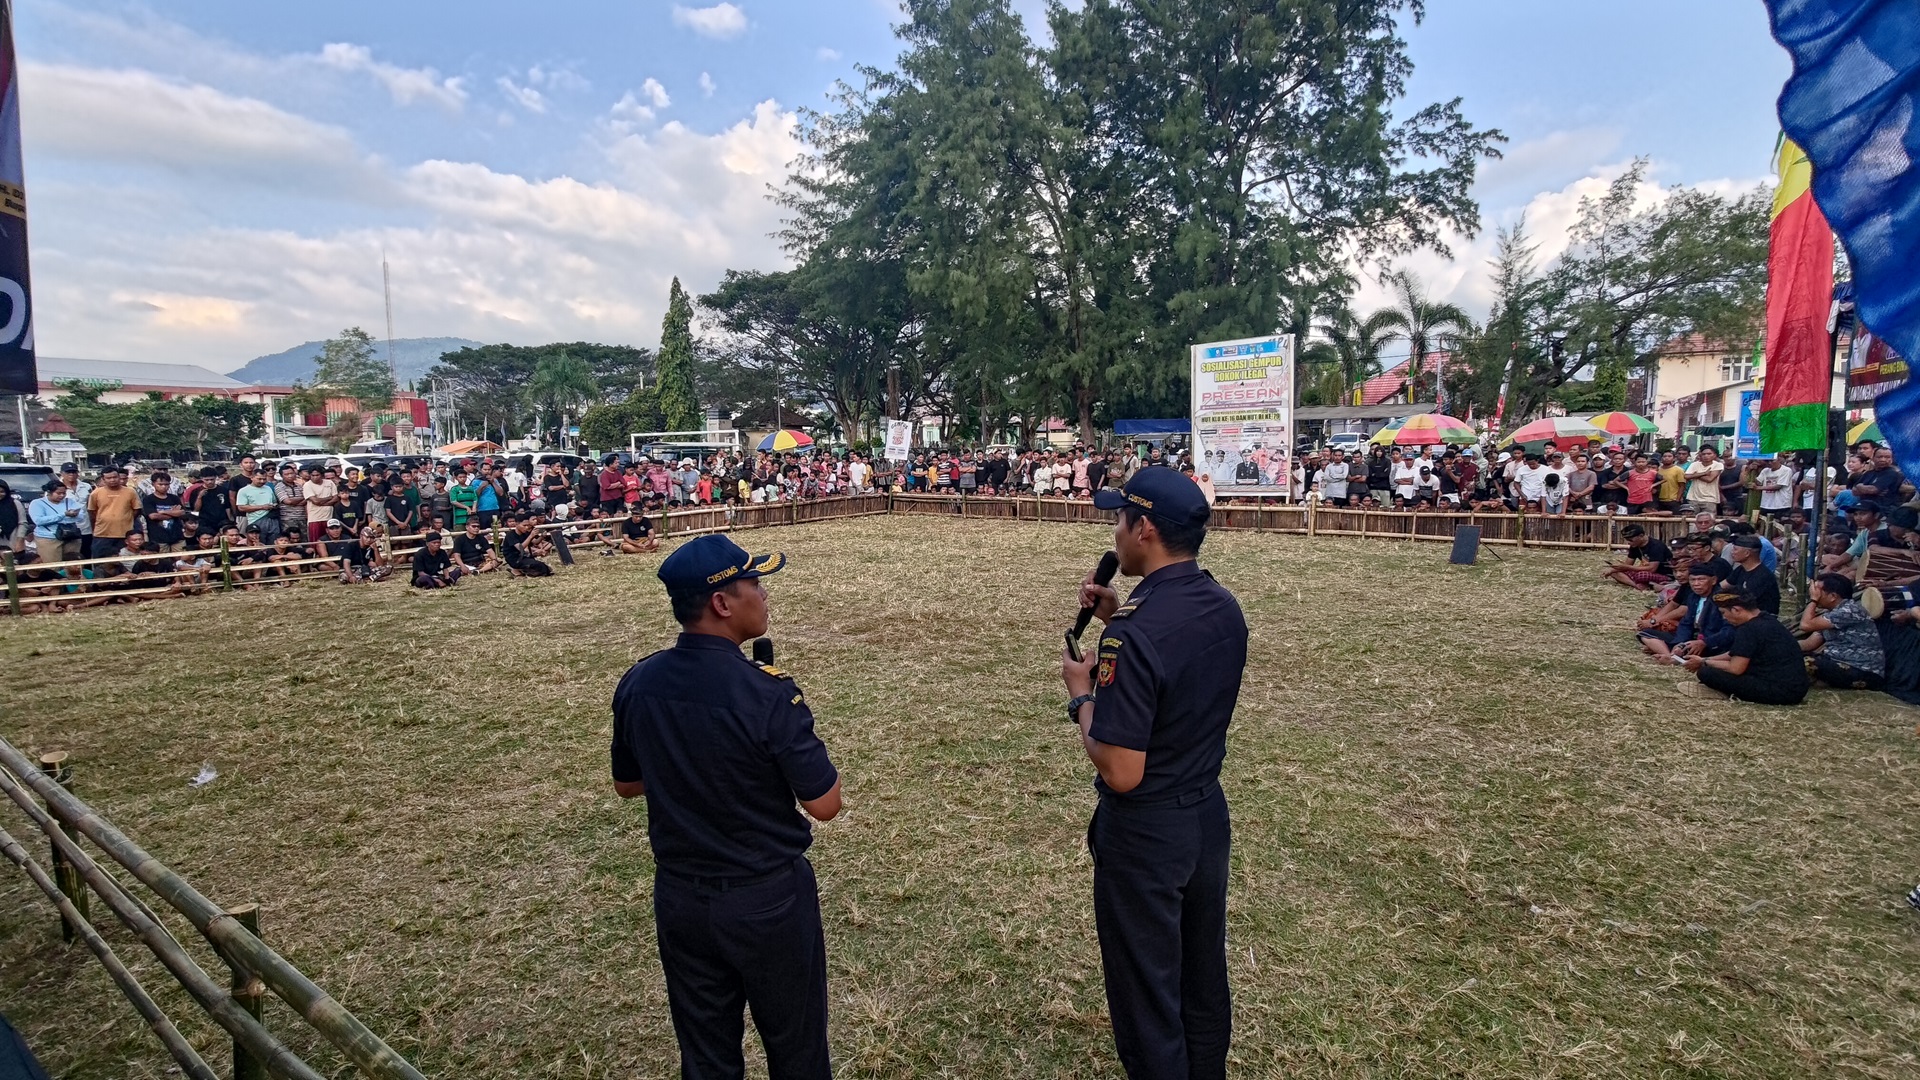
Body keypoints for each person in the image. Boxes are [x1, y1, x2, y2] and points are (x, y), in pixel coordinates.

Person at [610, 534, 841, 1080]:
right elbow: (825, 803)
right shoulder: (765, 693)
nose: (764, 595)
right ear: (721, 602)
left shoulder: (639, 682)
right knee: (797, 1049)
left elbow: (628, 784)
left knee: (706, 1054)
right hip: (767, 899)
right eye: (754, 584)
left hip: (681, 896)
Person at [1066, 466, 1248, 1080]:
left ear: (1144, 529)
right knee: (1200, 976)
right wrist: (1121, 620)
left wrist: (1082, 698)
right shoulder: (1222, 605)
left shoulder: (1136, 637)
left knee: (1147, 999)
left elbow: (1121, 769)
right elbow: (1176, 676)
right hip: (1205, 817)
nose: (1113, 532)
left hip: (1147, 836)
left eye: (1119, 519)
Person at [1682, 591, 1810, 704]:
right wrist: (1704, 659)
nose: (1724, 617)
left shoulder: (1748, 629)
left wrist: (1704, 662)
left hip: (1779, 692)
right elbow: (1735, 653)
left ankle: (1724, 692)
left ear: (1736, 610)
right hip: (1795, 689)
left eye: (1723, 613)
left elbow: (1735, 668)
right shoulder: (1766, 620)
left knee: (1706, 673)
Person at [1797, 573, 1885, 690]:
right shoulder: (1831, 614)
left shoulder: (1850, 610)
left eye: (1818, 591)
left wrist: (1813, 600)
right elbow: (1809, 643)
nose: (1814, 593)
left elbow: (1805, 625)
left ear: (1833, 596)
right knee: (1792, 656)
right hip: (1837, 663)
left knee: (1806, 662)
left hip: (1863, 671)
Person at [28, 480, 83, 568]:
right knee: (53, 566)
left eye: (64, 493)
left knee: (73, 566)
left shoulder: (70, 501)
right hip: (48, 538)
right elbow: (38, 520)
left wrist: (71, 516)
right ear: (49, 492)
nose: (62, 495)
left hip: (71, 536)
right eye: (58, 493)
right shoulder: (37, 503)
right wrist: (63, 515)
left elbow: (81, 517)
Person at [1722, 535, 1781, 616]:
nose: (1732, 552)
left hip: (1759, 618)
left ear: (1747, 553)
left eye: (1735, 549)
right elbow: (1723, 585)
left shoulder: (1762, 576)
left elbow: (1745, 602)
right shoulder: (1741, 569)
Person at [1604, 523, 1673, 590]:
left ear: (1641, 536)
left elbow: (1652, 569)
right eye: (1627, 540)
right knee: (1614, 573)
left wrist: (1627, 567)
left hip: (1664, 574)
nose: (1628, 542)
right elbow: (1628, 564)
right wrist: (1612, 570)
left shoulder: (1656, 546)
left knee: (1641, 575)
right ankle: (1637, 585)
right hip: (1646, 571)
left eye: (1630, 540)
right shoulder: (1634, 546)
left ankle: (1645, 584)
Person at [1683, 448, 1724, 514]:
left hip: (1710, 499)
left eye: (1709, 454)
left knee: (1708, 520)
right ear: (1700, 455)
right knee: (1692, 521)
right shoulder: (1694, 464)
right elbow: (1686, 476)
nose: (1706, 456)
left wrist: (1695, 474)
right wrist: (1704, 473)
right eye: (1704, 454)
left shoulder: (1718, 465)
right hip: (1693, 498)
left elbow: (1709, 479)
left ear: (1714, 455)